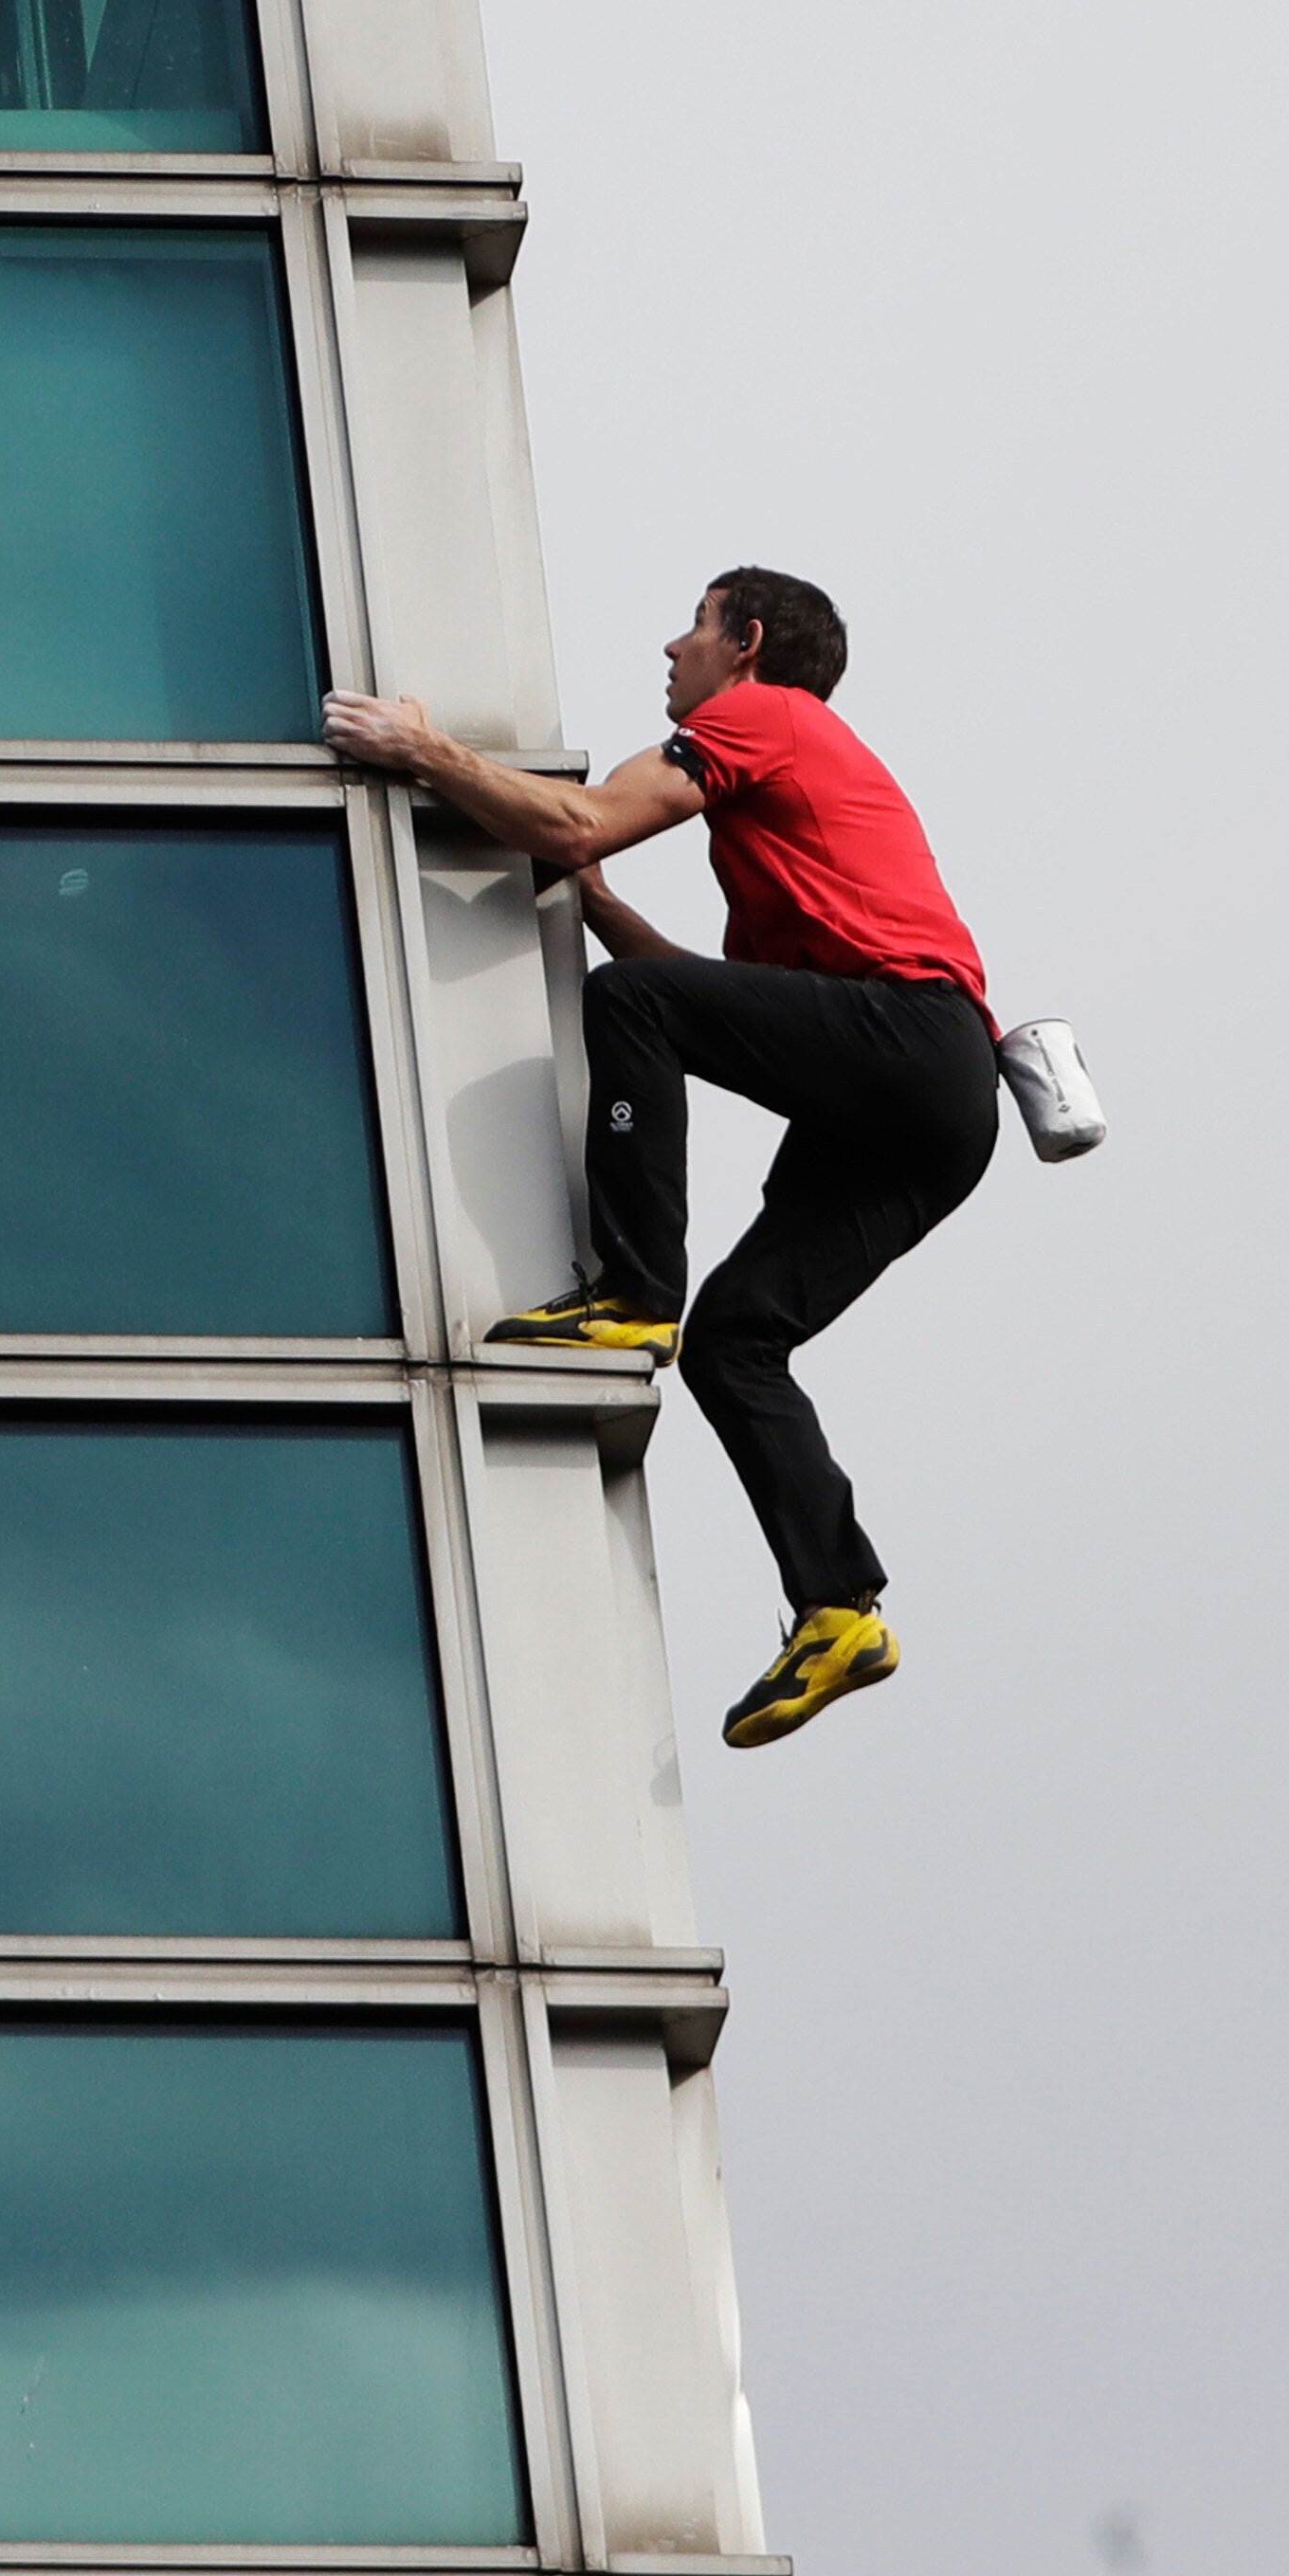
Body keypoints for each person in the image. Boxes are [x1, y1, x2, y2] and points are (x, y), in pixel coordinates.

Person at [323, 565, 996, 1750]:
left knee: (630, 1004)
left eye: (691, 626)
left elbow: (589, 835)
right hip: (932, 1110)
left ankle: (633, 1292)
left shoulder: (763, 714)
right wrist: (585, 890)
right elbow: (689, 974)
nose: (669, 648)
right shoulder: (783, 823)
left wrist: (426, 751)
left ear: (743, 642)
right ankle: (839, 1607)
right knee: (737, 1342)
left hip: (913, 1041)